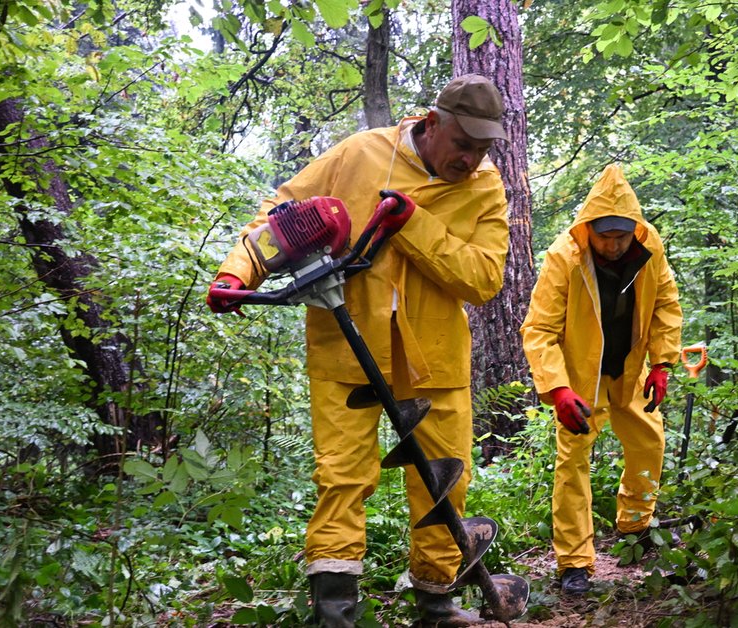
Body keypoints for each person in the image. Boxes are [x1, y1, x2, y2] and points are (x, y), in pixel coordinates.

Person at [207, 74, 510, 627]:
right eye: (463, 144)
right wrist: (237, 272)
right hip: (343, 347)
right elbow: (282, 214)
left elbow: (485, 279)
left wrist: (414, 225)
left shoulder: (486, 188)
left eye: (483, 148)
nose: (471, 160)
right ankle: (335, 612)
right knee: (342, 478)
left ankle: (438, 603)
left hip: (434, 356)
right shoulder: (360, 153)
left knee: (444, 477)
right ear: (432, 123)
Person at [519, 163, 683, 596]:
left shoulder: (650, 252)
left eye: (621, 235)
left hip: (629, 371)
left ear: (635, 230)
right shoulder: (564, 258)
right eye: (605, 235)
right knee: (573, 464)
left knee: (649, 441)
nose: (613, 244)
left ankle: (636, 526)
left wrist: (663, 364)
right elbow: (538, 329)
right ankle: (574, 563)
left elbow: (666, 303)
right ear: (587, 229)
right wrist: (558, 388)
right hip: (579, 381)